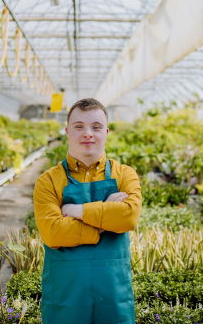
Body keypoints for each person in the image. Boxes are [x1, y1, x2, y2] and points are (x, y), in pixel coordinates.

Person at [34, 98, 142, 324]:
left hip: (113, 297)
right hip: (65, 298)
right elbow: (53, 232)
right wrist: (106, 217)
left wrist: (74, 210)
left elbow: (128, 217)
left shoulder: (125, 175)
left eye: (96, 127)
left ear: (106, 132)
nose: (88, 134)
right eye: (79, 126)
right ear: (67, 131)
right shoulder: (47, 182)